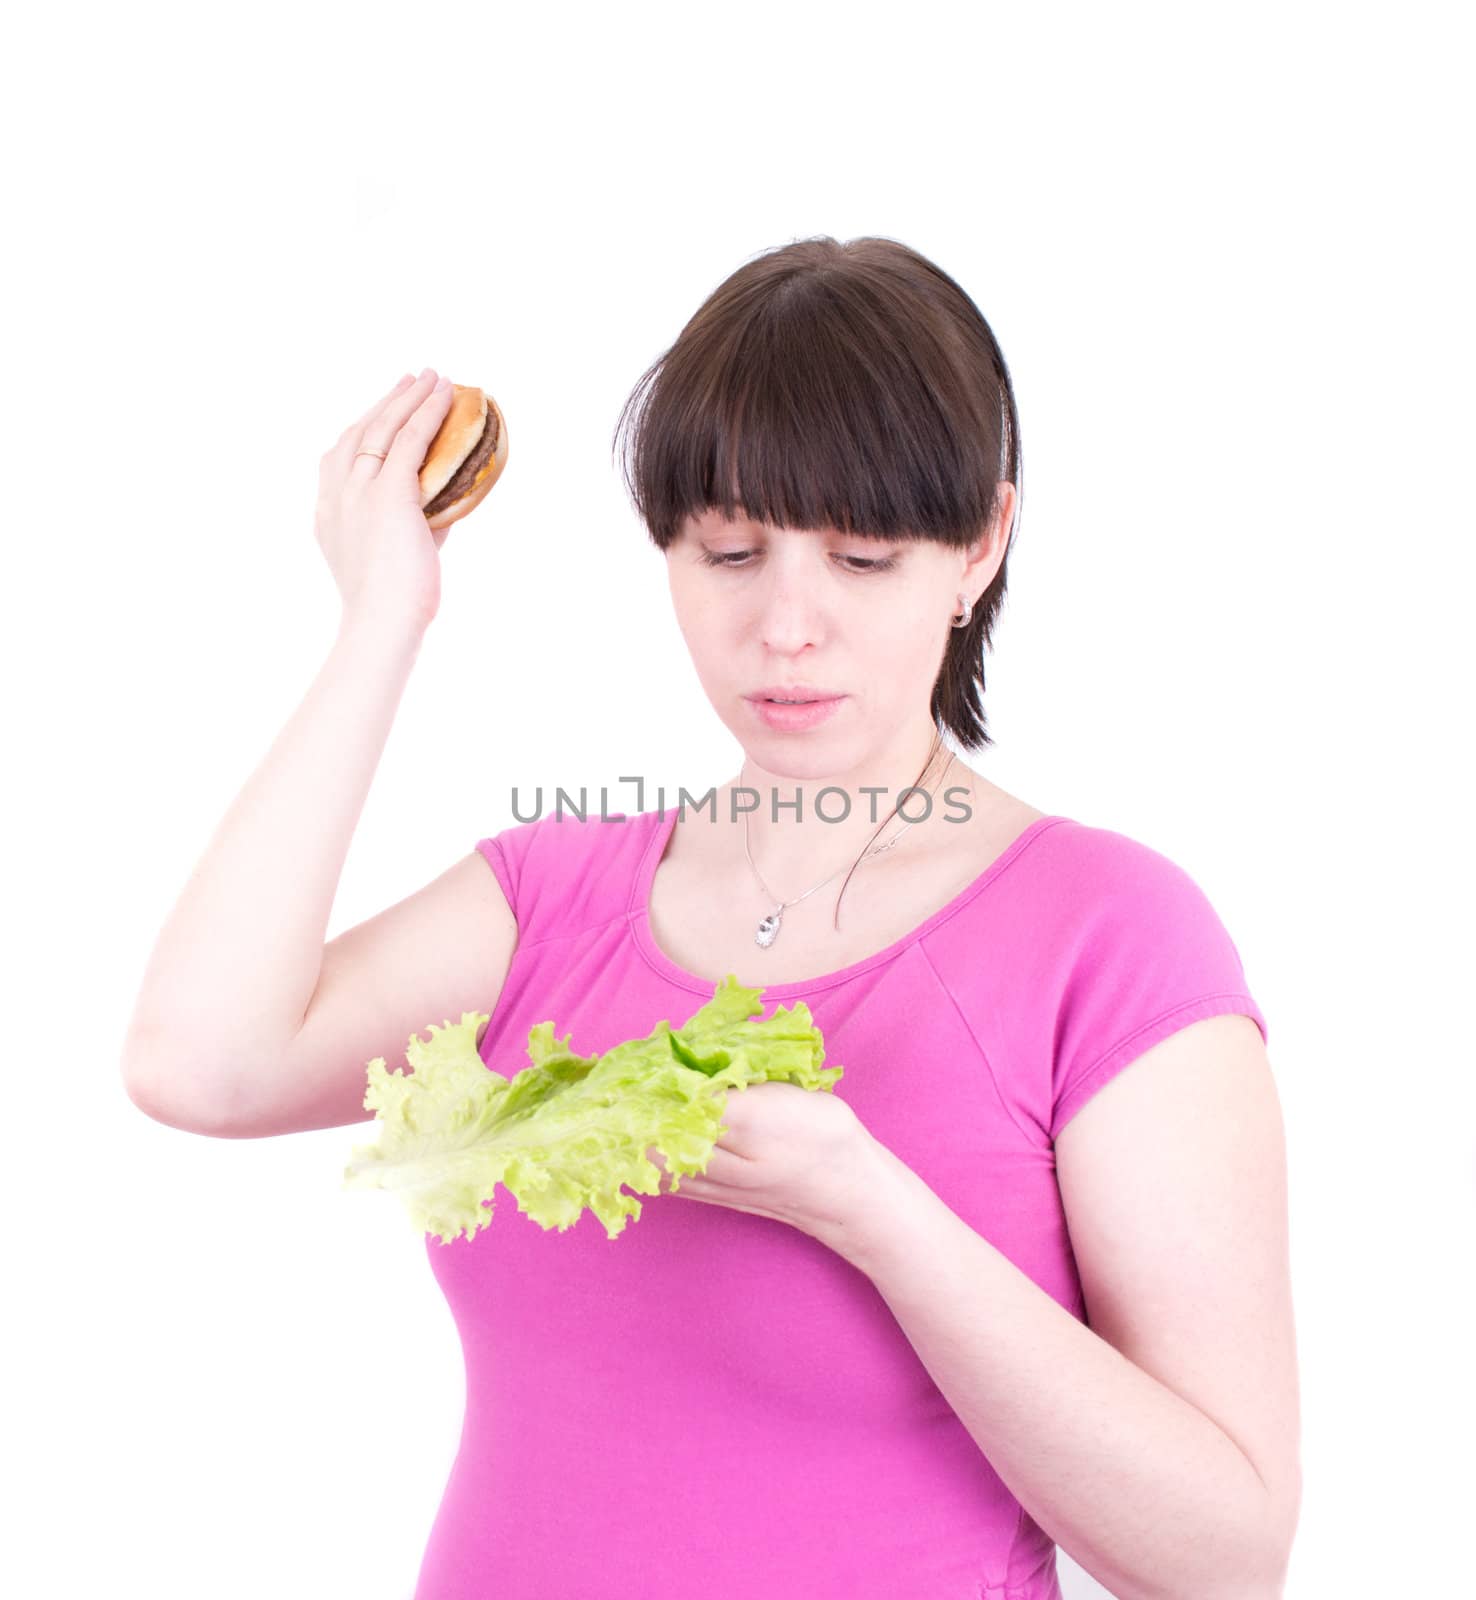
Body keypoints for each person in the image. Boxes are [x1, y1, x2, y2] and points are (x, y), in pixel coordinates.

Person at [121, 236, 1301, 1600]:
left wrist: (873, 1211)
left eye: (862, 559)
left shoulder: (1109, 934)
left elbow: (1225, 1560)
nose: (785, 626)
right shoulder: (550, 900)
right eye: (729, 551)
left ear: (980, 547)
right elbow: (197, 1066)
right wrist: (384, 617)